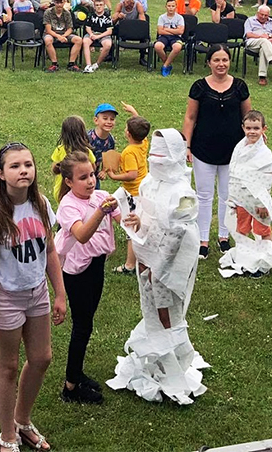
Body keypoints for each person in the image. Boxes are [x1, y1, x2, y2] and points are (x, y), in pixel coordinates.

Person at [0, 143, 66, 452]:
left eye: (28, 164)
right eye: (14, 166)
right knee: (8, 368)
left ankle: (22, 420)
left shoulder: (40, 204)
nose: (23, 170)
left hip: (37, 293)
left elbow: (50, 250)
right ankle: (7, 435)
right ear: (1, 175)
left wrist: (60, 293)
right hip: (6, 299)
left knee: (42, 359)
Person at [107, 129, 209, 405]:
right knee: (149, 305)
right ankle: (157, 359)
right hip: (147, 254)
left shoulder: (183, 192)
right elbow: (146, 212)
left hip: (170, 263)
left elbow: (178, 233)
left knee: (168, 312)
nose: (156, 163)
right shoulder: (150, 183)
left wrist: (159, 267)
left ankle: (174, 362)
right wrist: (137, 225)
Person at [52, 152, 121, 405]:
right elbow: (81, 235)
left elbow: (123, 219)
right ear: (69, 181)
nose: (91, 181)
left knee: (88, 320)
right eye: (83, 177)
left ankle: (77, 373)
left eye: (92, 174)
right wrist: (101, 213)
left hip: (96, 264)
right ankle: (70, 387)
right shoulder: (68, 206)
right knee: (82, 324)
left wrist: (132, 217)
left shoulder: (101, 196)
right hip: (76, 270)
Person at [183, 44, 252, 259]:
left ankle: (224, 236)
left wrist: (254, 138)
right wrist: (186, 145)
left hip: (233, 151)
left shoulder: (240, 86)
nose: (221, 64)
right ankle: (203, 239)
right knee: (203, 195)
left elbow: (248, 118)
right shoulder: (199, 87)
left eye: (225, 60)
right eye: (216, 60)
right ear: (209, 62)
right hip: (203, 149)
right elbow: (190, 117)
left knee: (227, 196)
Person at [218, 111, 272, 277]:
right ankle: (246, 259)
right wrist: (233, 199)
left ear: (263, 129)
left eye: (256, 128)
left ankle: (265, 261)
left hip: (258, 201)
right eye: (249, 128)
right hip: (241, 198)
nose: (252, 131)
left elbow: (266, 179)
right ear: (243, 128)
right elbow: (234, 172)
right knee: (242, 228)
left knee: (262, 230)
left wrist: (263, 204)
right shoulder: (239, 148)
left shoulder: (264, 154)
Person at [42, 0, 82, 73]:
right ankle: (54, 64)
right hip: (51, 33)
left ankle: (71, 63)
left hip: (65, 33)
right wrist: (58, 36)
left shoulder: (67, 13)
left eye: (61, 2)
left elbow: (70, 28)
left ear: (64, 3)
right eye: (57, 2)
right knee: (48, 40)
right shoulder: (48, 12)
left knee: (79, 40)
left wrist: (63, 36)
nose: (59, 5)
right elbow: (48, 29)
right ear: (54, 2)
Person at [243, 5, 272, 86]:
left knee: (264, 48)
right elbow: (248, 34)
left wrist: (270, 37)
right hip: (253, 43)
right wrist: (261, 36)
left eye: (266, 15)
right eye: (262, 14)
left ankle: (262, 77)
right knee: (264, 41)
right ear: (257, 13)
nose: (263, 17)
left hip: (267, 45)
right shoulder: (250, 20)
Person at [81, 0, 113, 73]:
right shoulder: (90, 16)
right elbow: (87, 27)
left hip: (103, 35)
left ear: (104, 6)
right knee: (85, 41)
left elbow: (109, 31)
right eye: (97, 5)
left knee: (108, 44)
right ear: (94, 6)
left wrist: (98, 36)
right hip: (92, 34)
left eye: (101, 5)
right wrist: (91, 34)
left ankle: (96, 64)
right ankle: (88, 65)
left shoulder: (107, 17)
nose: (99, 7)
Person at [154, 0, 185, 76]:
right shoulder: (161, 17)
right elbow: (160, 31)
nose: (171, 8)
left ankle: (165, 66)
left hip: (176, 38)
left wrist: (166, 29)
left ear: (176, 7)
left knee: (177, 47)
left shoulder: (180, 18)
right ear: (166, 7)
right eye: (169, 6)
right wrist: (174, 31)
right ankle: (168, 64)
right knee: (157, 46)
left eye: (173, 6)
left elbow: (180, 31)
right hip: (163, 37)